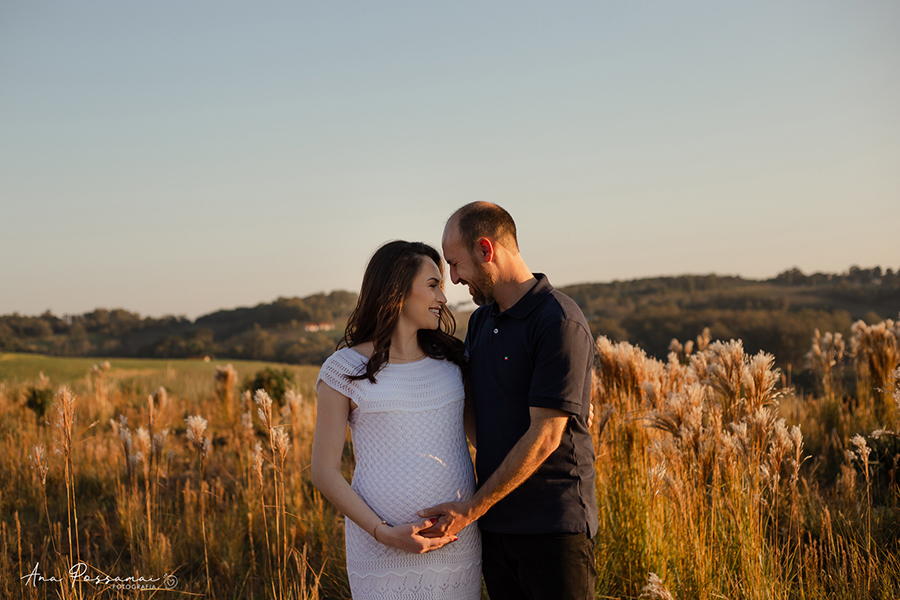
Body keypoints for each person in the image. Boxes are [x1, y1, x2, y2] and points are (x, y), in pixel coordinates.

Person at [419, 202, 598, 600]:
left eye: (455, 264)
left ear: (486, 249)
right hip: (496, 527)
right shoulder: (481, 321)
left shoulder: (558, 321)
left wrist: (471, 509)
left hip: (554, 528)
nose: (454, 278)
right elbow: (479, 417)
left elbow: (546, 436)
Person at [310, 240, 483, 600]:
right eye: (433, 285)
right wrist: (383, 532)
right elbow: (323, 472)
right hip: (379, 550)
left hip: (455, 541)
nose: (443, 298)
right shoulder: (343, 369)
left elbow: (486, 438)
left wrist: (563, 422)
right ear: (398, 291)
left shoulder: (454, 363)